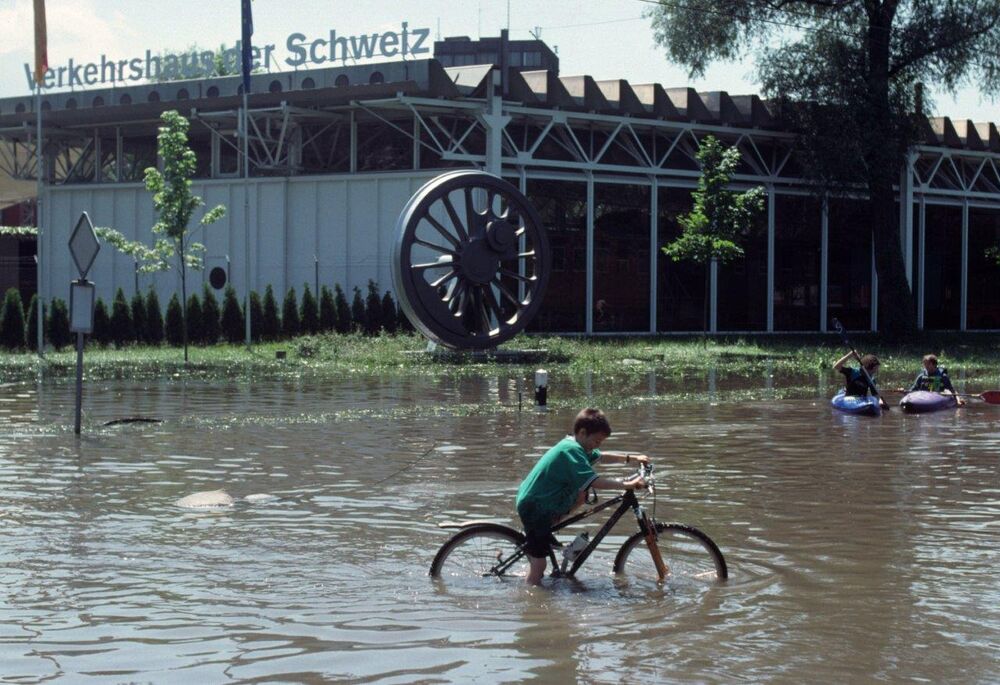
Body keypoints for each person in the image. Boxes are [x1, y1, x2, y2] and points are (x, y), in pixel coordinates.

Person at [515, 408, 649, 585]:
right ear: (582, 433)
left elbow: (602, 457)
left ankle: (550, 536)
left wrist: (631, 458)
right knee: (539, 565)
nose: (597, 445)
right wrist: (627, 485)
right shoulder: (571, 450)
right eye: (596, 441)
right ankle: (531, 599)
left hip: (543, 502)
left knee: (582, 495)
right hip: (535, 507)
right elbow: (594, 481)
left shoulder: (578, 445)